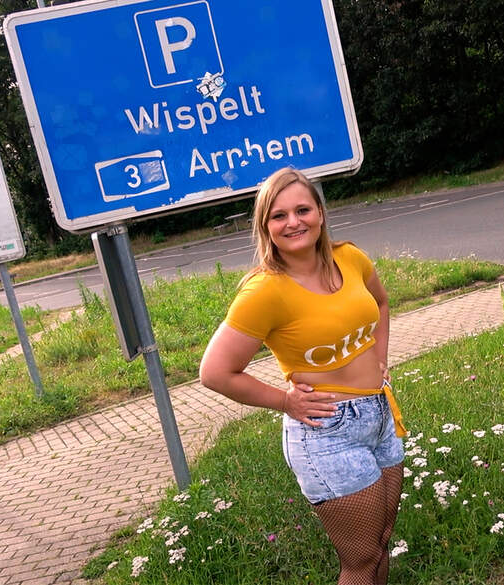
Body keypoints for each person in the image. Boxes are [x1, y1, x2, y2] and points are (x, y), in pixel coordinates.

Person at [199, 167, 407, 585]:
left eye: (302, 210)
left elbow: (381, 303)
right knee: (361, 560)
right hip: (328, 431)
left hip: (381, 413)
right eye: (279, 216)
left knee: (382, 540)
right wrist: (284, 400)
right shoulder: (264, 292)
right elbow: (215, 372)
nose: (293, 222)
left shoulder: (350, 258)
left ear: (320, 213)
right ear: (266, 227)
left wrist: (379, 358)